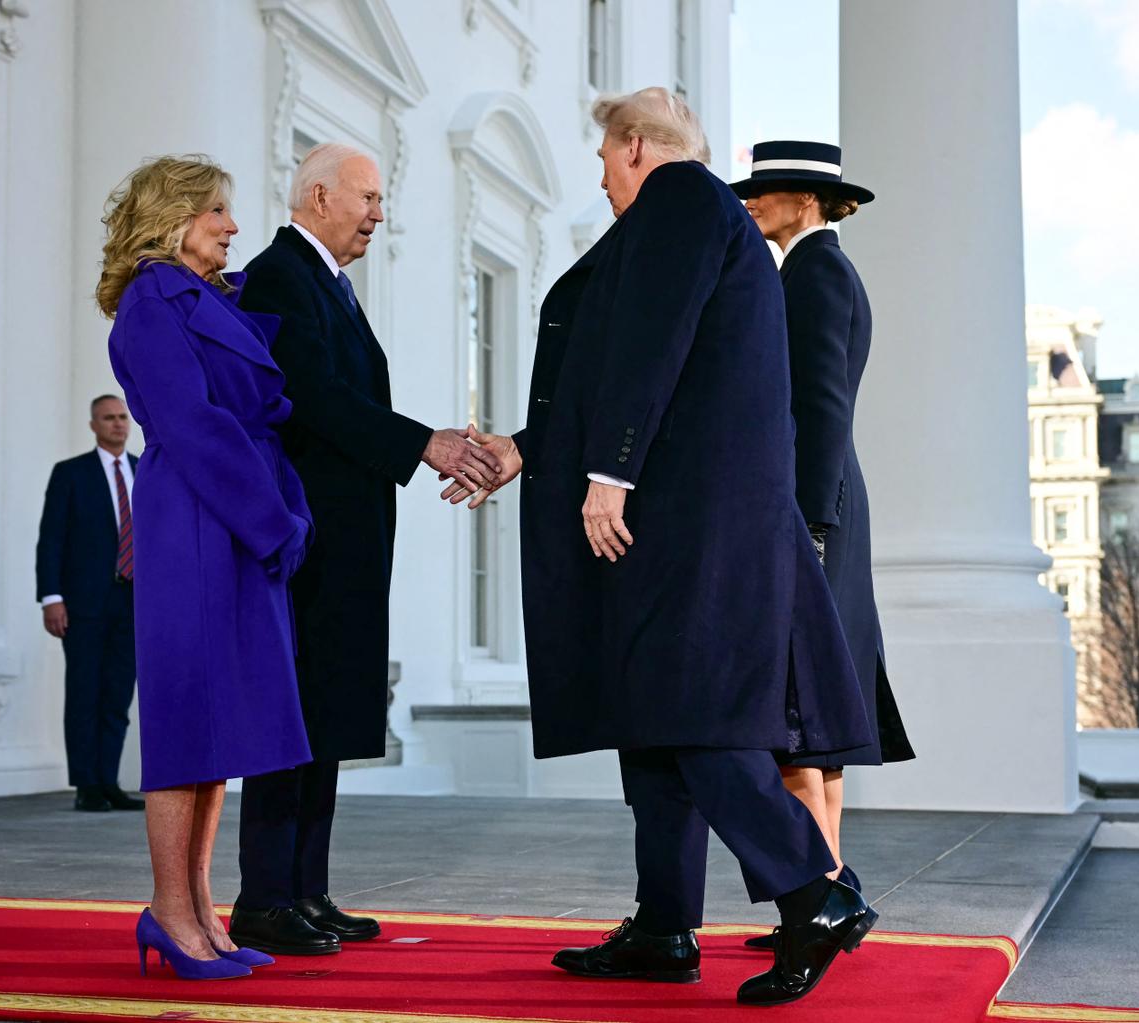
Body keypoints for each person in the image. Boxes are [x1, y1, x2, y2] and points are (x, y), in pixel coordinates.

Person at [455, 87, 877, 1008]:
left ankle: (817, 895)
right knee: (654, 720)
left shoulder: (682, 196)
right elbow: (621, 369)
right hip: (684, 523)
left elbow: (651, 346)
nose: (603, 178)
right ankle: (662, 924)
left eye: (607, 160)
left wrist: (609, 472)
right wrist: (523, 452)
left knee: (697, 722)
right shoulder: (694, 218)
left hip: (692, 527)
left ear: (637, 145)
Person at [229, 143, 501, 957]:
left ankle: (305, 888)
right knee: (295, 715)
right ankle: (262, 895)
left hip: (344, 540)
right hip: (305, 538)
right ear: (318, 196)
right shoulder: (280, 274)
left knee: (329, 711)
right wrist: (428, 444)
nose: (379, 214)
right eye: (369, 197)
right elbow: (312, 397)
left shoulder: (331, 285)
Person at [98, 154, 310, 980]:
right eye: (217, 209)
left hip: (231, 512)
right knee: (190, 719)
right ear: (174, 216)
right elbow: (193, 424)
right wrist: (271, 520)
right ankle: (168, 911)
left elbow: (250, 419)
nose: (231, 225)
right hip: (197, 514)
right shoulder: (153, 300)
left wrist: (282, 513)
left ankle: (200, 910)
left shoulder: (202, 298)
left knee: (223, 723)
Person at [733, 141, 915, 950]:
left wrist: (807, 522)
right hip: (828, 507)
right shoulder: (810, 269)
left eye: (762, 193)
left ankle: (822, 900)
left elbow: (823, 405)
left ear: (805, 201)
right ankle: (831, 886)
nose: (749, 203)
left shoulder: (815, 273)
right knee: (816, 725)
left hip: (815, 511)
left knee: (799, 715)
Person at [35, 395, 145, 813]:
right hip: (83, 602)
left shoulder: (144, 471)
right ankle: (86, 784)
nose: (118, 424)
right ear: (93, 424)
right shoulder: (71, 474)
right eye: (109, 418)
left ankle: (109, 781)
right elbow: (51, 540)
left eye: (122, 417)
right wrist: (51, 597)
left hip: (133, 602)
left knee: (118, 694)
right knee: (85, 692)